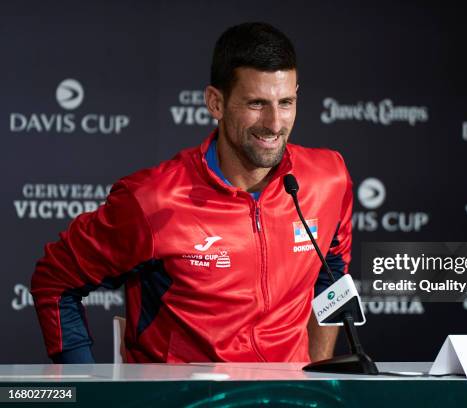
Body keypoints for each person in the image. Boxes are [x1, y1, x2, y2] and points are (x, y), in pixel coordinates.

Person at [30, 22, 353, 364]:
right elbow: (55, 280)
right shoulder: (154, 200)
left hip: (288, 397)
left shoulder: (327, 178)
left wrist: (317, 380)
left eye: (285, 102)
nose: (275, 123)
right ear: (216, 103)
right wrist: (85, 387)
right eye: (257, 103)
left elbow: (330, 272)